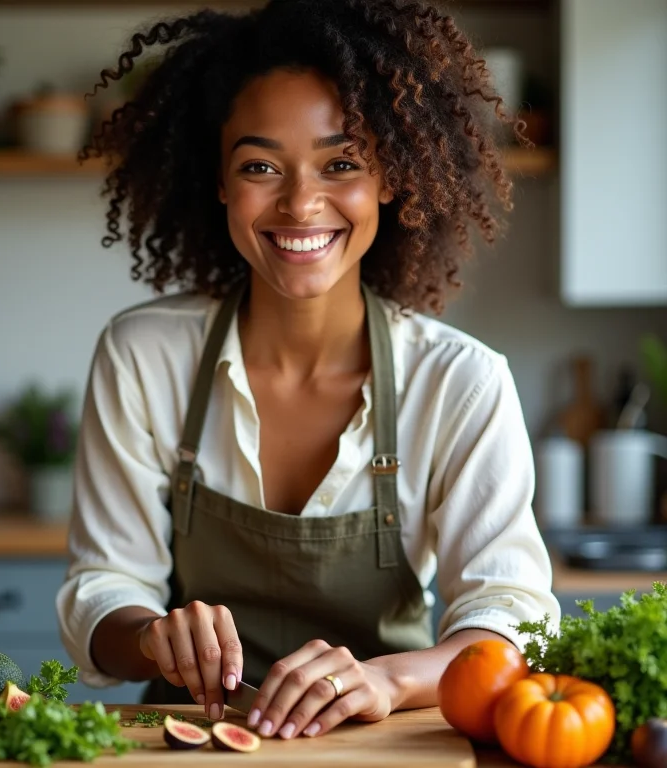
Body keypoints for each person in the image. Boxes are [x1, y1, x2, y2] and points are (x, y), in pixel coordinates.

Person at [56, 0, 560, 742]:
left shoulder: (461, 382)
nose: (300, 202)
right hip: (187, 740)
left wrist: (388, 678)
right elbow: (101, 590)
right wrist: (149, 636)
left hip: (389, 743)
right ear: (221, 183)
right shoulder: (144, 356)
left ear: (392, 177)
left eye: (342, 163)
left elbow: (513, 621)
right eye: (260, 166)